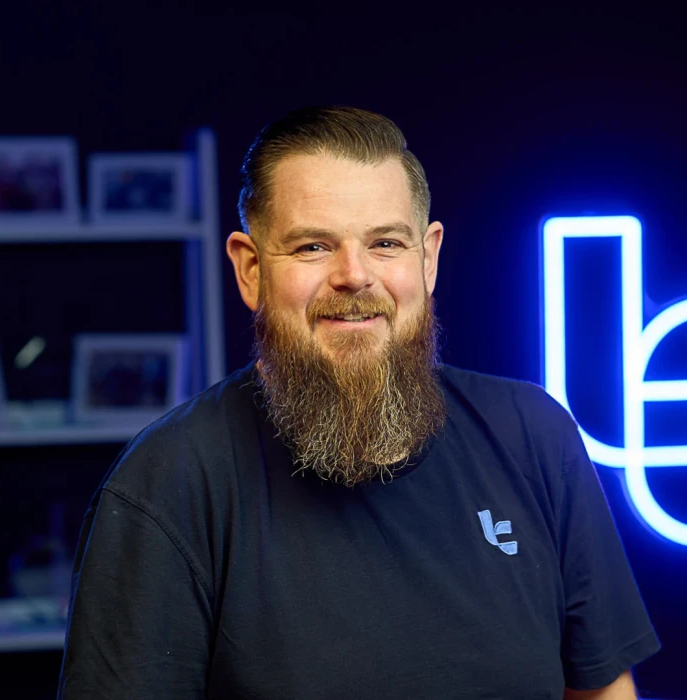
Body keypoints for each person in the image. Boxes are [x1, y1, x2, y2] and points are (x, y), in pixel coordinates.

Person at [57, 106, 660, 699]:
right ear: (250, 269)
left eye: (386, 243)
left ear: (428, 259)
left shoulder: (534, 435)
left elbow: (603, 690)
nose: (355, 276)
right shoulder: (171, 482)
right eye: (314, 246)